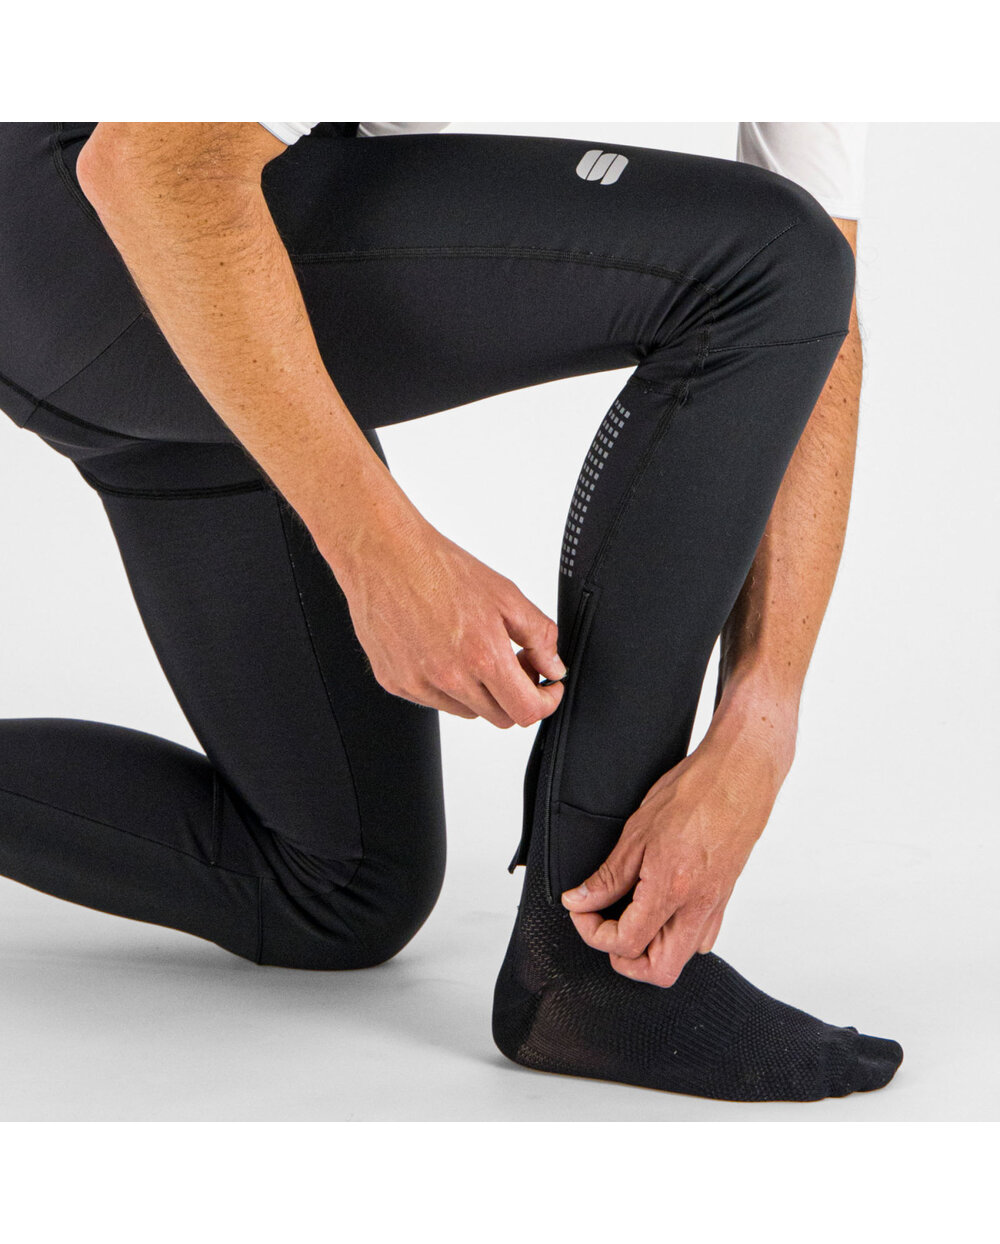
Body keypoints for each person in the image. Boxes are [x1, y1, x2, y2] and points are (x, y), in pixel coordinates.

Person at [0, 120, 902, 1102]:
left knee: (342, 883)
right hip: (90, 230)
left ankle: (570, 957)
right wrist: (380, 553)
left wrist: (762, 716)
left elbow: (821, 321)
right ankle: (590, 972)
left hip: (157, 296)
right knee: (762, 256)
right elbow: (150, 169)